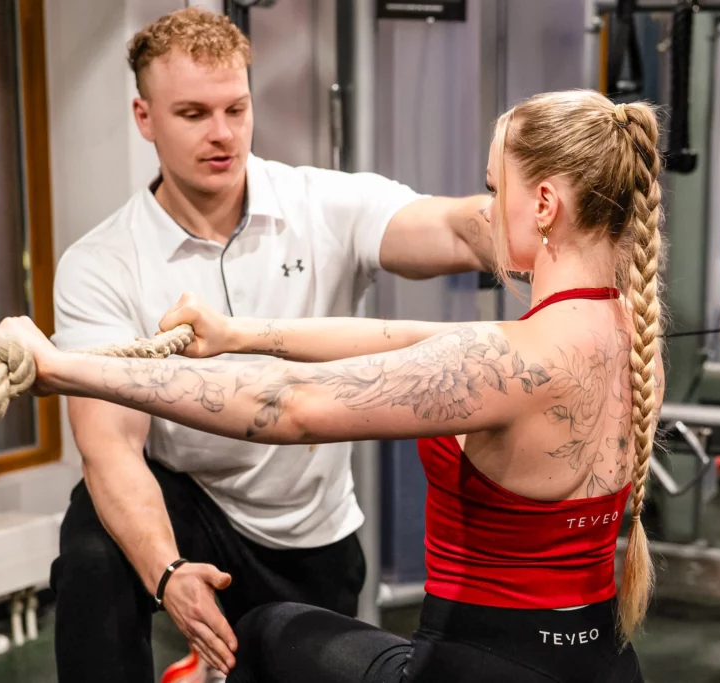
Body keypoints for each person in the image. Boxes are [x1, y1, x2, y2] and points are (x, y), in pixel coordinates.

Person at [0, 88, 666, 682]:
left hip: (475, 666)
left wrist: (59, 368)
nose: (490, 210)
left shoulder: (508, 359)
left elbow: (286, 403)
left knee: (266, 632)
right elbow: (403, 342)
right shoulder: (630, 338)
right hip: (602, 662)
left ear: (545, 203)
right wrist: (239, 332)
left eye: (498, 190)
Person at [49, 7, 500, 683]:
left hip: (308, 530)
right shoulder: (101, 263)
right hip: (192, 503)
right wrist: (167, 570)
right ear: (145, 118)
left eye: (236, 107)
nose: (222, 133)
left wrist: (541, 214)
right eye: (193, 114)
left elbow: (460, 230)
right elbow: (109, 448)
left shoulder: (320, 204)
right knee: (89, 549)